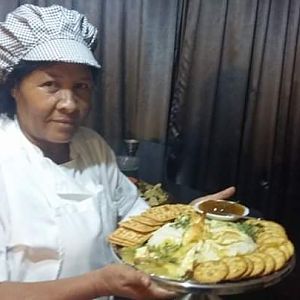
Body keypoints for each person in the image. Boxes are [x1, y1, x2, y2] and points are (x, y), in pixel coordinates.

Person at [0, 4, 235, 300]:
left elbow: (134, 219)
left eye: (81, 86)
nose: (70, 104)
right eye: (51, 85)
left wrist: (187, 219)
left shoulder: (92, 146)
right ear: (13, 87)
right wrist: (99, 284)